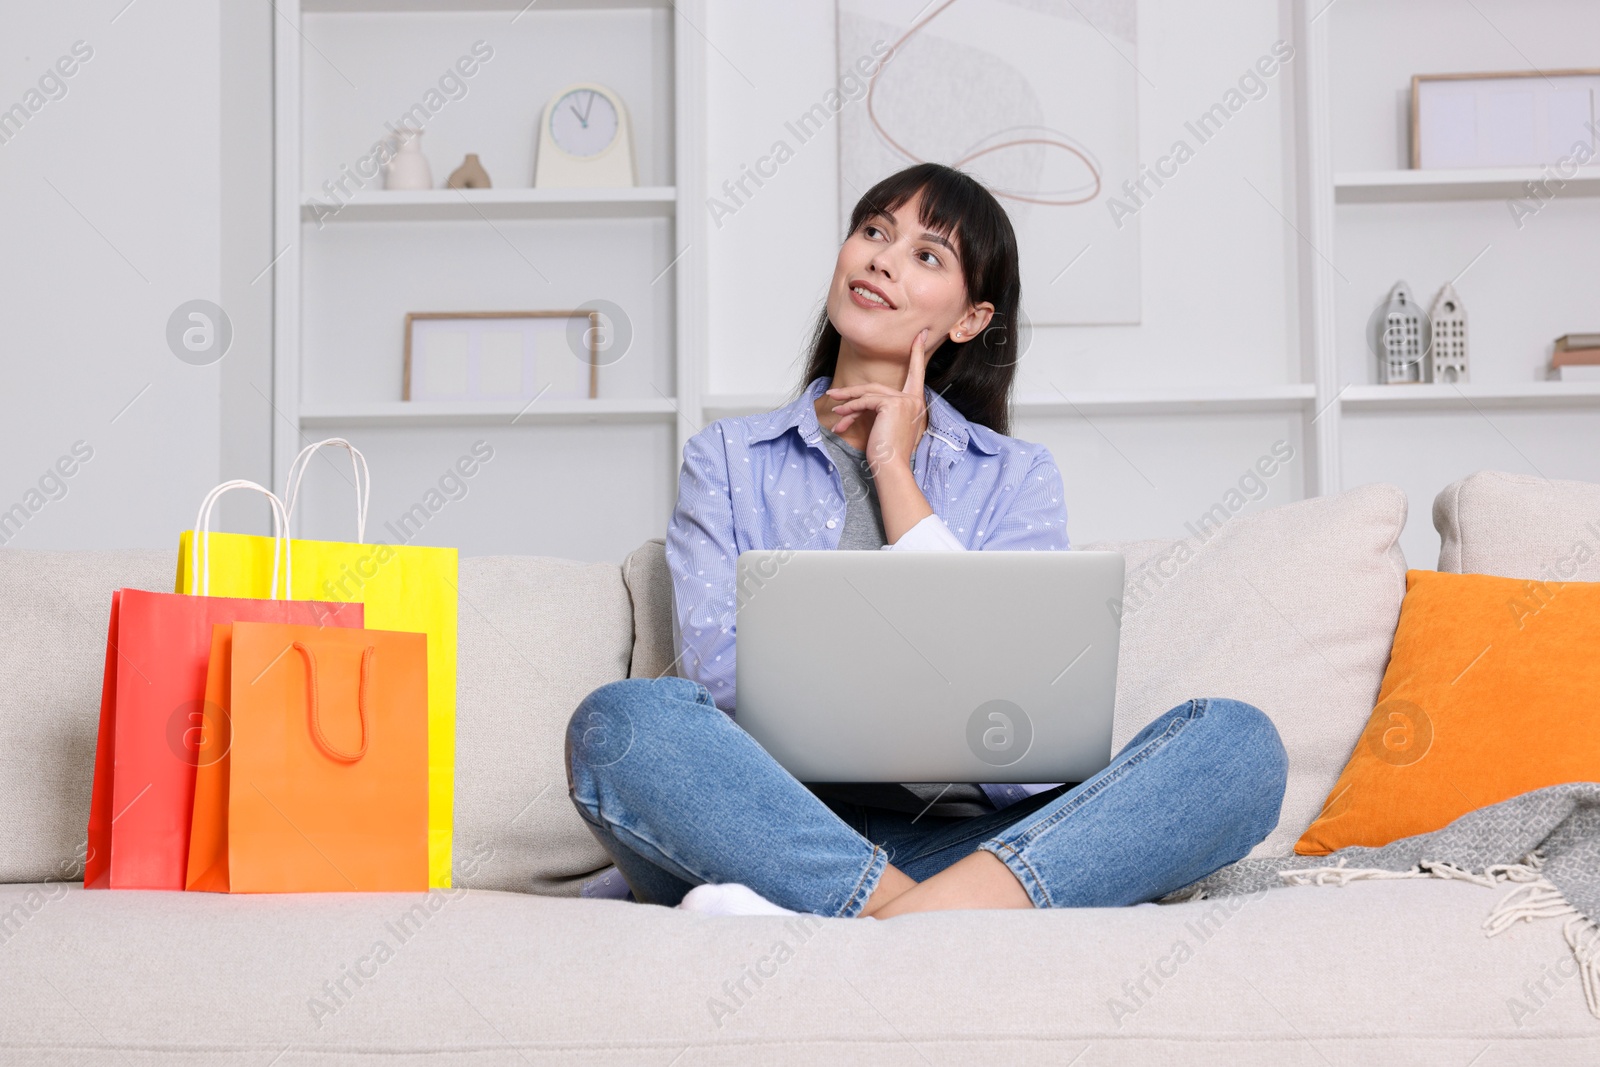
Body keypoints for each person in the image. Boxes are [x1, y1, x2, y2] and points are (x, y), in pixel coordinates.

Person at [565, 162, 1287, 919]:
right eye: (874, 231)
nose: (881, 257)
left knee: (1239, 746)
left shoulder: (1016, 476)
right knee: (620, 723)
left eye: (926, 254)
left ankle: (879, 916)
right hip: (769, 828)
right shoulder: (728, 460)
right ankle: (939, 919)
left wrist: (893, 470)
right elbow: (719, 683)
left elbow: (1022, 720)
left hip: (977, 845)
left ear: (969, 319)